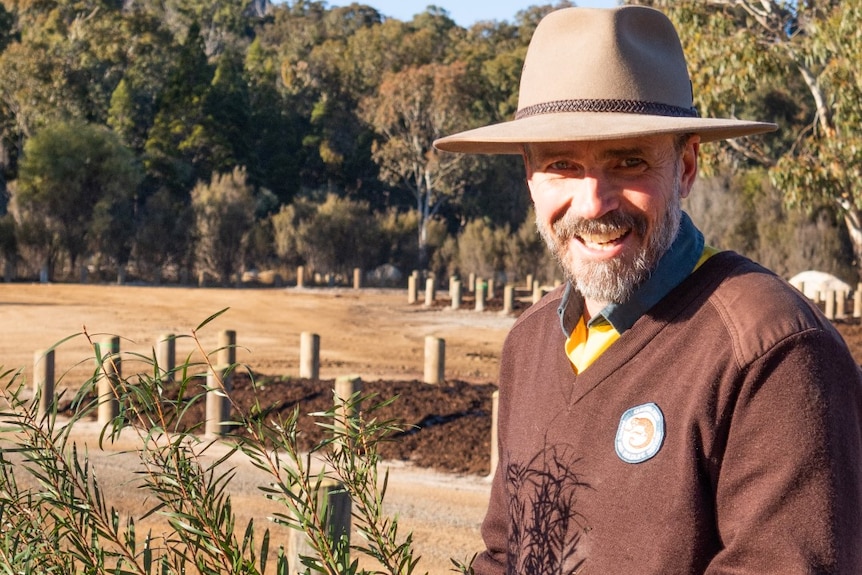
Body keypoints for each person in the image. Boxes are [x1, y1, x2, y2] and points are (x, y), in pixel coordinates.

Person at [434, 5, 862, 574]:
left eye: (628, 161)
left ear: (685, 167)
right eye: (563, 165)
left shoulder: (772, 352)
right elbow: (505, 555)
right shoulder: (529, 344)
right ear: (529, 178)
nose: (593, 204)